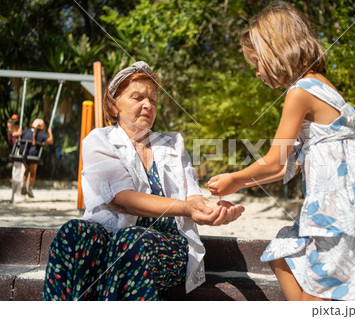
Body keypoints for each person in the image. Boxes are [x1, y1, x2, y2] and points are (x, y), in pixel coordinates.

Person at [208, 2, 355, 301]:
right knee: (284, 254)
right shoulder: (325, 87)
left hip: (334, 212)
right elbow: (288, 167)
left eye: (257, 62)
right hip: (345, 207)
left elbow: (275, 160)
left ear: (275, 52)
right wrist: (244, 181)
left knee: (318, 289)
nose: (257, 72)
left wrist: (236, 179)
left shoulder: (300, 93)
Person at [43, 61, 245, 301]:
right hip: (111, 240)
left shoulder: (172, 143)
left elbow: (192, 194)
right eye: (137, 97)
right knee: (74, 232)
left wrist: (209, 210)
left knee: (130, 242)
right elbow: (122, 200)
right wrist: (186, 208)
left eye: (153, 100)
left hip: (167, 247)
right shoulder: (99, 140)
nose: (147, 105)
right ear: (113, 104)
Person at [19, 118, 54, 198]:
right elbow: (51, 141)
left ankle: (23, 185)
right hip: (33, 155)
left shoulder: (26, 132)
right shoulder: (41, 134)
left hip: (24, 154)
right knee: (33, 173)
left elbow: (16, 134)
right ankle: (30, 189)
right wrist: (50, 132)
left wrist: (19, 130)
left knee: (27, 170)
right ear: (41, 127)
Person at [7, 115, 25, 203]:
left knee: (21, 174)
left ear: (16, 126)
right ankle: (14, 195)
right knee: (16, 175)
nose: (9, 129)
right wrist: (19, 132)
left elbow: (21, 134)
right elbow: (15, 134)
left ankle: (19, 195)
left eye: (10, 127)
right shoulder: (12, 134)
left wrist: (20, 131)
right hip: (17, 154)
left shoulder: (21, 131)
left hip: (22, 155)